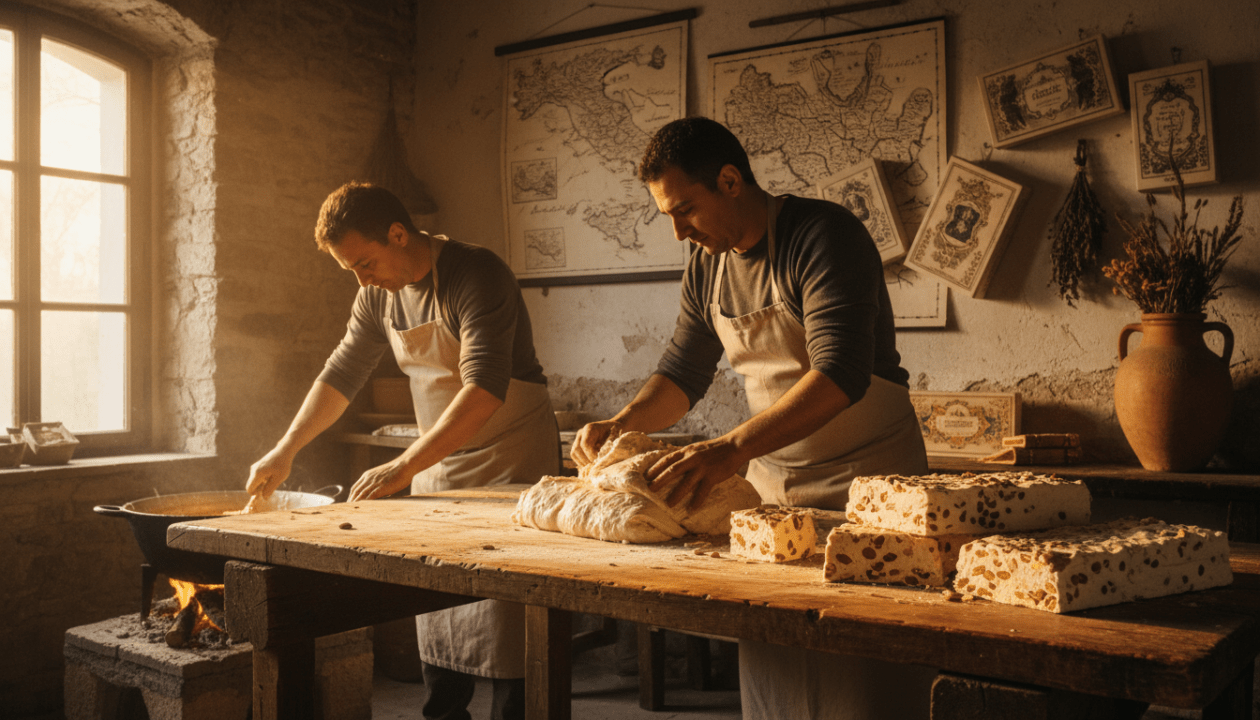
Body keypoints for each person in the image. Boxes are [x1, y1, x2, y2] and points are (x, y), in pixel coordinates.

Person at [572, 117, 934, 720]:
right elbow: (683, 373)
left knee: (867, 674)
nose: (678, 231)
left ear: (731, 180)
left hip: (872, 484)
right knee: (780, 663)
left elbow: (841, 370)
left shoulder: (821, 234)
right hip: (775, 485)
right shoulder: (706, 265)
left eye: (685, 210)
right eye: (667, 215)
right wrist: (622, 421)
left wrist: (731, 447)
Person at [247, 181, 558, 720]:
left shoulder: (475, 273)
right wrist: (285, 449)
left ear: (398, 234)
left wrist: (402, 465)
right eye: (352, 271)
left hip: (511, 464)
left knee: (512, 620)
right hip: (438, 466)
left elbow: (484, 389)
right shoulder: (377, 295)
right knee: (437, 609)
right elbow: (342, 373)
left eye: (365, 263)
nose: (363, 279)